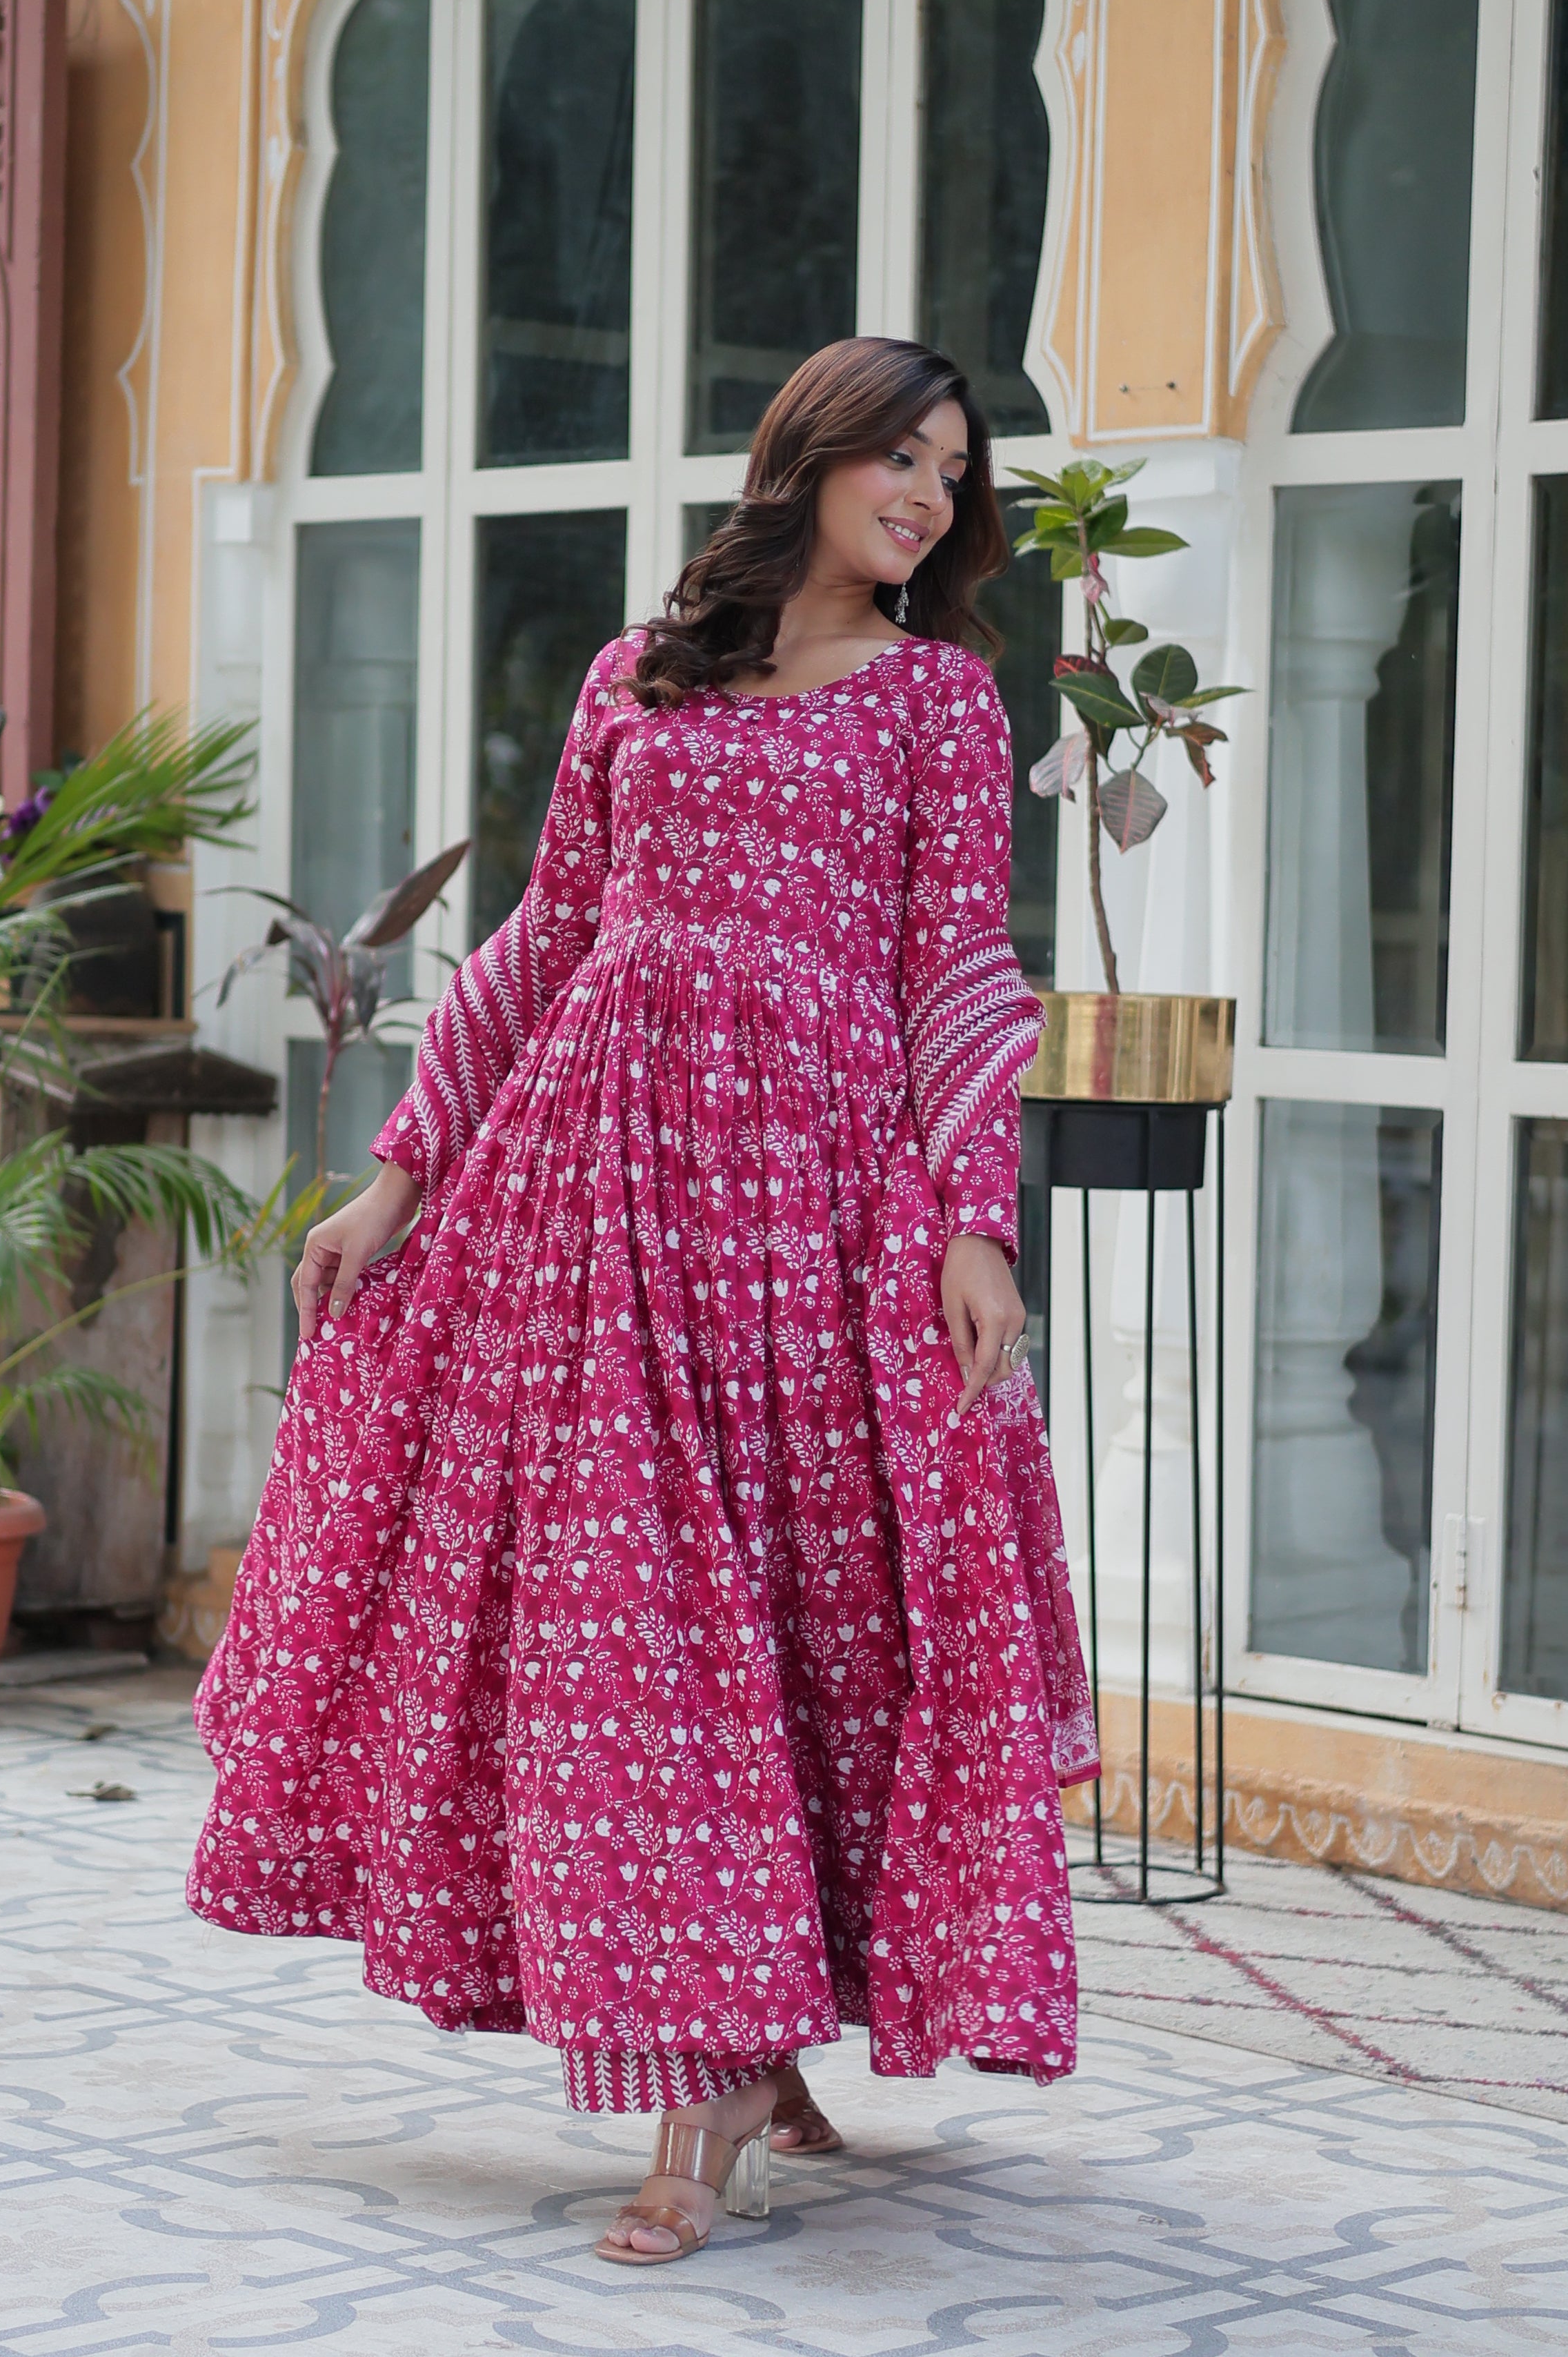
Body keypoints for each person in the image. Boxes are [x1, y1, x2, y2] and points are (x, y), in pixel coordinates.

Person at [188, 336, 1098, 2268]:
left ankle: (738, 2070)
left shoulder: (940, 702)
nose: (928, 495)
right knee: (637, 1642)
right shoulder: (642, 669)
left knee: (794, 1632)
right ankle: (710, 2087)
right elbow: (552, 933)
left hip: (811, 1218)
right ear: (812, 460)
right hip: (599, 1208)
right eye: (897, 458)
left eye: (953, 469)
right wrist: (403, 1169)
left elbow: (957, 970)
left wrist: (973, 1223)